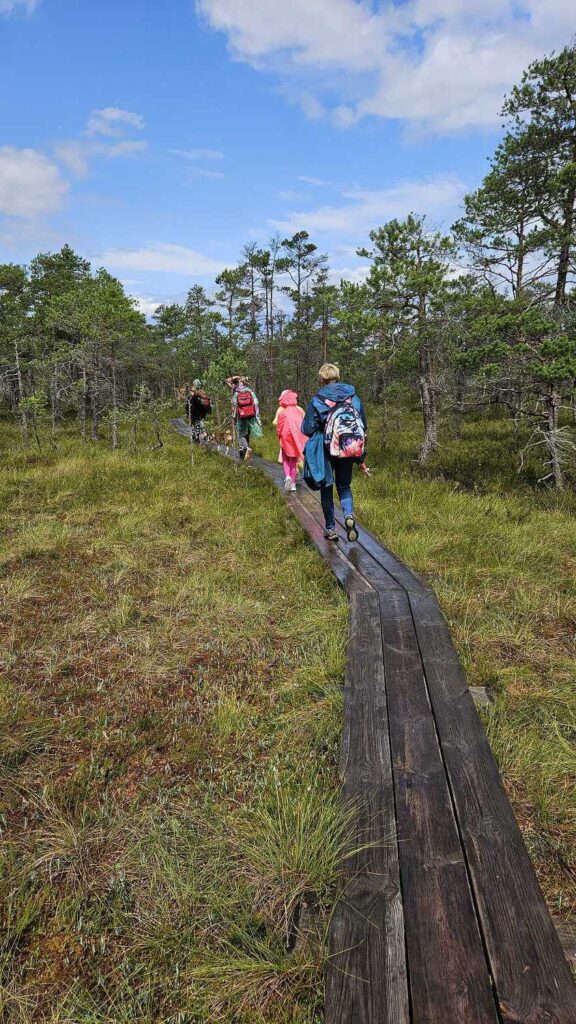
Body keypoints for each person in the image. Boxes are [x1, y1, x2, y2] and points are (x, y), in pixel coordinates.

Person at [302, 363, 367, 543]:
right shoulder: (353, 398)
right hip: (347, 447)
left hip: (326, 449)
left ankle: (330, 528)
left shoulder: (317, 399)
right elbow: (363, 425)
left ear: (322, 379)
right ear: (337, 377)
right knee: (344, 486)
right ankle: (348, 515)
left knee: (327, 487)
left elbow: (307, 428)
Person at [275, 389, 307, 492]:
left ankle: (287, 476)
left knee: (285, 459)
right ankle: (293, 483)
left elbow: (279, 427)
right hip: (296, 440)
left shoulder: (282, 413)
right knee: (293, 461)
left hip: (285, 439)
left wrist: (279, 437)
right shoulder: (299, 411)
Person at [227, 375, 262, 460]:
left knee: (241, 434)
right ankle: (245, 451)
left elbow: (227, 380)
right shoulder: (250, 391)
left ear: (239, 382)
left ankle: (246, 448)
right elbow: (256, 404)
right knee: (247, 434)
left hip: (241, 416)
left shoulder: (237, 391)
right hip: (251, 416)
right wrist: (257, 418)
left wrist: (237, 376)